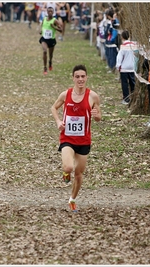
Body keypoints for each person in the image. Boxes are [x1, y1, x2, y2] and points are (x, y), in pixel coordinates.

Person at [50, 65, 102, 212]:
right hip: (67, 137)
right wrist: (58, 121)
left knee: (78, 175)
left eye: (83, 76)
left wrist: (96, 116)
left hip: (84, 140)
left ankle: (72, 200)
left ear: (86, 78)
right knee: (68, 167)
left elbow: (99, 116)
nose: (80, 79)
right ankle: (66, 173)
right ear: (73, 78)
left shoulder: (93, 96)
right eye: (77, 76)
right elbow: (54, 108)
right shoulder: (65, 94)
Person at [116, 30, 137, 105]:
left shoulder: (123, 46)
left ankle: (126, 98)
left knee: (124, 84)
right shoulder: (134, 45)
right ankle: (133, 96)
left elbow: (119, 57)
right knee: (132, 83)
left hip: (124, 68)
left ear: (122, 37)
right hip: (132, 67)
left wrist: (118, 66)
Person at [39, 6, 62, 75]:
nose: (50, 13)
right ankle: (45, 68)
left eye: (51, 11)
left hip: (51, 40)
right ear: (47, 12)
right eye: (49, 11)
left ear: (53, 12)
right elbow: (42, 26)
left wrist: (54, 27)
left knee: (50, 54)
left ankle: (50, 62)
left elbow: (61, 30)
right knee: (45, 51)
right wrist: (41, 31)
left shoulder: (55, 20)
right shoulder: (44, 19)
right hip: (44, 39)